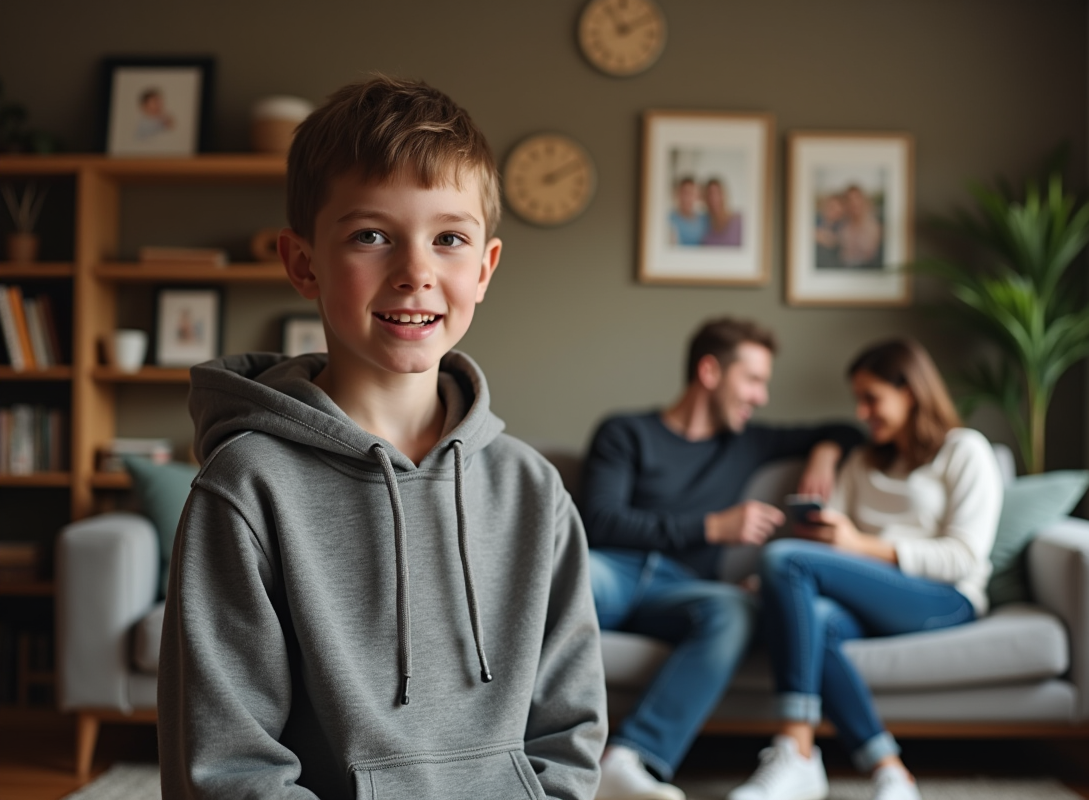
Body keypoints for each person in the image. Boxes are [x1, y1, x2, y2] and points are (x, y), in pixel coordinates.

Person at [157, 76, 607, 800]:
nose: (416, 273)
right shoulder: (246, 488)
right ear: (303, 263)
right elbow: (229, 769)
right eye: (372, 236)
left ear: (485, 267)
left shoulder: (534, 492)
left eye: (449, 238)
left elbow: (570, 734)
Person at [582, 317, 865, 800]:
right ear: (710, 371)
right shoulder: (626, 432)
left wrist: (824, 452)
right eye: (753, 380)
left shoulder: (747, 441)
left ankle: (627, 760)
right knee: (565, 580)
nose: (761, 397)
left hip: (684, 588)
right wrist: (713, 527)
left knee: (735, 610)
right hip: (614, 566)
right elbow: (599, 521)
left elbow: (848, 428)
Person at [727, 338, 1002, 800]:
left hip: (942, 597)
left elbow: (964, 558)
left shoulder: (965, 451)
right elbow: (828, 554)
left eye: (872, 398)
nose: (861, 412)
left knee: (783, 556)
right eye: (858, 399)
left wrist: (861, 543)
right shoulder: (860, 462)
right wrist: (780, 585)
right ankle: (890, 772)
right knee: (810, 616)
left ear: (910, 391)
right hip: (870, 599)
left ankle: (795, 747)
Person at [836, 185, 883, 269]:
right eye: (849, 200)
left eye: (857, 199)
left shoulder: (874, 226)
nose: (854, 203)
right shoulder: (842, 226)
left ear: (863, 200)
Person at [701, 178, 742, 247]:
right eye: (709, 194)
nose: (714, 199)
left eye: (718, 193)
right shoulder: (702, 223)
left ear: (725, 195)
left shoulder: (739, 222)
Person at [668, 176, 709, 246]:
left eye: (691, 193)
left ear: (696, 196)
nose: (687, 198)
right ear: (677, 194)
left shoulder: (704, 220)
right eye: (684, 193)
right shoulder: (670, 219)